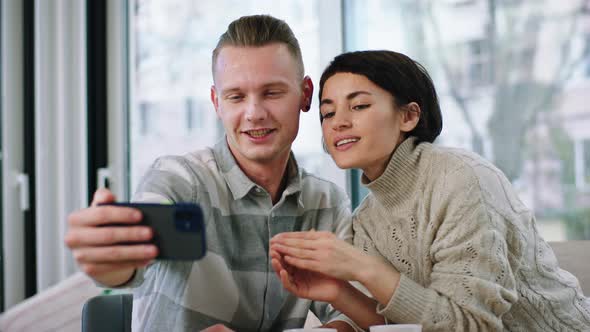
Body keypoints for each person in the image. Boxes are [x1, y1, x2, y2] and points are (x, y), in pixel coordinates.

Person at [65, 15, 357, 332]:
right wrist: (110, 260)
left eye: (272, 92)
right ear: (217, 102)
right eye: (236, 96)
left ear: (305, 94)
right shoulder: (178, 179)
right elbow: (128, 266)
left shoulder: (327, 203)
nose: (255, 113)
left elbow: (350, 313)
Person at [270, 50, 590, 331]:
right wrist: (339, 291)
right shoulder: (367, 219)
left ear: (409, 116)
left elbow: (468, 324)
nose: (338, 122)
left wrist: (362, 266)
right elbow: (406, 325)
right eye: (328, 112)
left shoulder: (461, 179)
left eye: (359, 106)